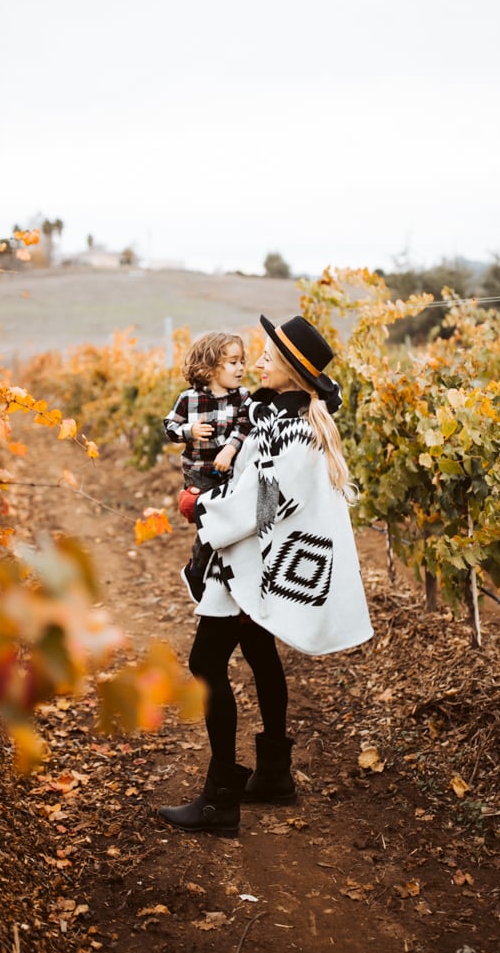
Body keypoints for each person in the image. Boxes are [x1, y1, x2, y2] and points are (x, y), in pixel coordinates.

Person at [158, 314, 373, 837]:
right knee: (257, 652)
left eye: (267, 358)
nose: (256, 363)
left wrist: (202, 509)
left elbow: (267, 500)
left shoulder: (297, 429)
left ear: (290, 371)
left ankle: (219, 799)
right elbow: (257, 460)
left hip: (247, 561)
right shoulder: (280, 413)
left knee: (206, 660)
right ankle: (273, 775)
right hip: (250, 558)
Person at [163, 332, 252, 601]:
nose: (241, 368)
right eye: (233, 362)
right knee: (209, 524)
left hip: (231, 474)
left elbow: (247, 426)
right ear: (210, 367)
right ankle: (197, 569)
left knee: (229, 526)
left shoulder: (244, 397)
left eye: (242, 362)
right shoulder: (188, 399)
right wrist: (189, 431)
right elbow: (170, 427)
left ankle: (224, 574)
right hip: (199, 472)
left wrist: (231, 447)